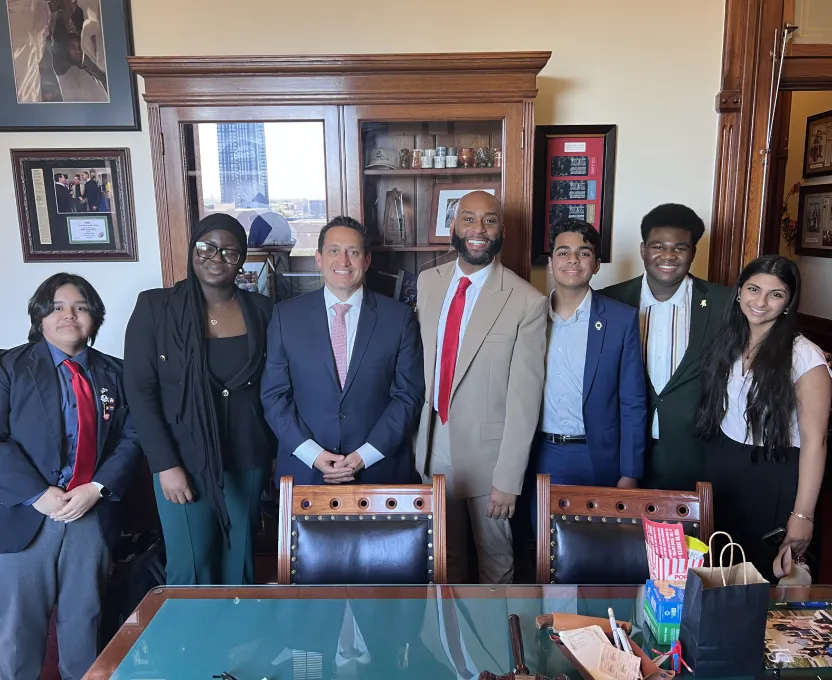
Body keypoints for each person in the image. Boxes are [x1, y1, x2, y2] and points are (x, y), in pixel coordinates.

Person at [0, 273, 141, 680]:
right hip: (26, 516)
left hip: (89, 513)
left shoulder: (116, 372)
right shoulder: (10, 367)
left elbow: (132, 438)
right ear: (39, 316)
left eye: (80, 307)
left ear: (95, 318)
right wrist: (36, 493)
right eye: (57, 307)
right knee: (17, 634)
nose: (69, 315)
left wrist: (96, 488)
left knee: (85, 624)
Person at [124, 213, 275, 585]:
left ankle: (238, 641)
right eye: (206, 247)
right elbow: (140, 392)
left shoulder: (263, 310)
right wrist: (164, 465)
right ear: (193, 249)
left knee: (239, 558)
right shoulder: (155, 308)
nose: (215, 257)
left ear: (241, 259)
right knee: (190, 565)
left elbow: (275, 385)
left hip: (247, 456)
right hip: (182, 460)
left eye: (228, 250)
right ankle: (189, 643)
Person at [414, 191, 547, 584]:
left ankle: (495, 646)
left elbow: (525, 401)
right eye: (468, 219)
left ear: (501, 230)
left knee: (495, 563)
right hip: (432, 443)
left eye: (489, 220)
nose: (478, 229)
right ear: (453, 227)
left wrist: (508, 479)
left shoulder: (527, 301)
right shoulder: (428, 282)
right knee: (444, 559)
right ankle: (447, 645)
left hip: (491, 459)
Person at [261, 215, 424, 485]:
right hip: (306, 472)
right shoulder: (284, 317)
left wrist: (365, 455)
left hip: (379, 472)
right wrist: (312, 454)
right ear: (319, 259)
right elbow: (274, 397)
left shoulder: (398, 318)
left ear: (367, 260)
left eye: (353, 252)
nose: (343, 261)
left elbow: (408, 396)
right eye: (334, 251)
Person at [696, 255, 831, 580]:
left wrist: (803, 515)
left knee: (760, 582)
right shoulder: (729, 341)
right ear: (740, 291)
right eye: (754, 289)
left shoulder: (804, 356)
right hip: (725, 471)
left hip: (772, 475)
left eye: (776, 294)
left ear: (788, 303)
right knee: (720, 573)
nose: (761, 301)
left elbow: (816, 442)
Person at [600, 203, 733, 490]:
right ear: (643, 249)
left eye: (680, 248)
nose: (668, 256)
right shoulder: (609, 301)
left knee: (687, 535)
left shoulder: (724, 304)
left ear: (693, 253)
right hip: (621, 450)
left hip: (694, 452)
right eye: (658, 246)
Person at [528, 219, 646, 524]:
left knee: (601, 548)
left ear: (596, 264)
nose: (572, 260)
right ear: (551, 262)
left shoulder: (621, 320)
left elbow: (633, 402)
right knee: (545, 550)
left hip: (599, 457)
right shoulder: (529, 317)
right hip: (543, 453)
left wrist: (630, 473)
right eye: (563, 252)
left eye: (583, 253)